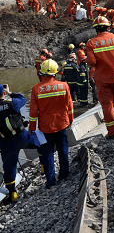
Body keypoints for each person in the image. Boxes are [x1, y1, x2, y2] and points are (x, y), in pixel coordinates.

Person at [29, 59, 74, 188]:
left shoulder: (36, 89)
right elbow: (69, 105)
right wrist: (70, 119)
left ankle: (50, 181)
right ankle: (64, 174)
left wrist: (32, 128)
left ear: (42, 73)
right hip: (62, 123)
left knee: (47, 152)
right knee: (63, 148)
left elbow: (33, 113)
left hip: (45, 127)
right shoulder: (64, 85)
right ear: (55, 73)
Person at [0, 84, 39, 202]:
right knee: (39, 143)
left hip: (5, 141)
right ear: (4, 93)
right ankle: (43, 167)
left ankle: (13, 193)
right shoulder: (12, 103)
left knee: (9, 166)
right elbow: (23, 99)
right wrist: (10, 92)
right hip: (20, 137)